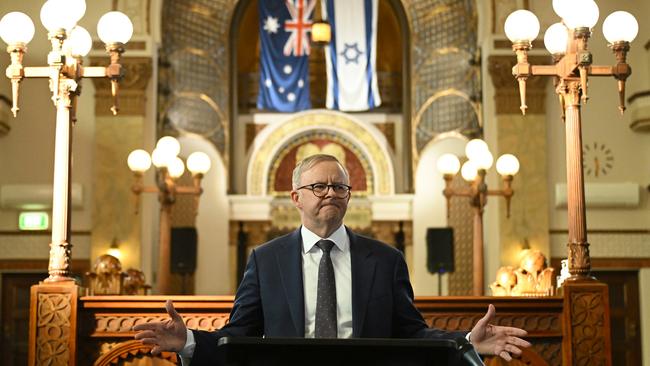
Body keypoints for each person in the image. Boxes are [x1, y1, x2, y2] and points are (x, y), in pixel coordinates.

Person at [135, 154, 531, 365]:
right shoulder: (266, 259)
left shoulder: (385, 260)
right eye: (318, 185)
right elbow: (239, 335)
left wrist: (466, 342)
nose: (330, 192)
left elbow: (412, 333)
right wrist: (187, 342)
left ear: (348, 196)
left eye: (339, 185)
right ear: (297, 198)